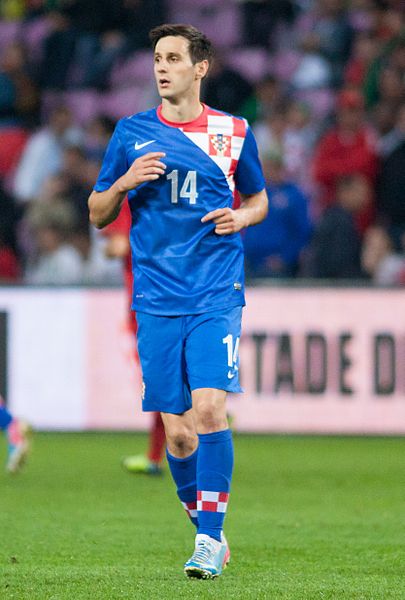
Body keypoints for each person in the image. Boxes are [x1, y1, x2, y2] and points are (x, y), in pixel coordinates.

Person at [88, 24, 268, 579]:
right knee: (180, 434)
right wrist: (123, 183)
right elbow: (97, 213)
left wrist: (241, 216)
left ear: (200, 68)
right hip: (157, 296)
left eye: (172, 58)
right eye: (157, 59)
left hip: (215, 290)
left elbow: (259, 198)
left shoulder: (233, 131)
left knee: (210, 409)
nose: (161, 68)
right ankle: (206, 528)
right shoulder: (131, 133)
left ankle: (208, 541)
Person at [103, 200, 166, 475]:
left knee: (159, 382)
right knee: (165, 381)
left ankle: (157, 455)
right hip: (176, 297)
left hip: (146, 303)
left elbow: (118, 246)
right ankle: (156, 454)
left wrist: (108, 245)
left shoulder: (132, 198)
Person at [0, 395, 30, 473]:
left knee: (15, 442)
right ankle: (15, 460)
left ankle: (14, 461)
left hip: (11, 424)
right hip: (11, 424)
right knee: (15, 442)